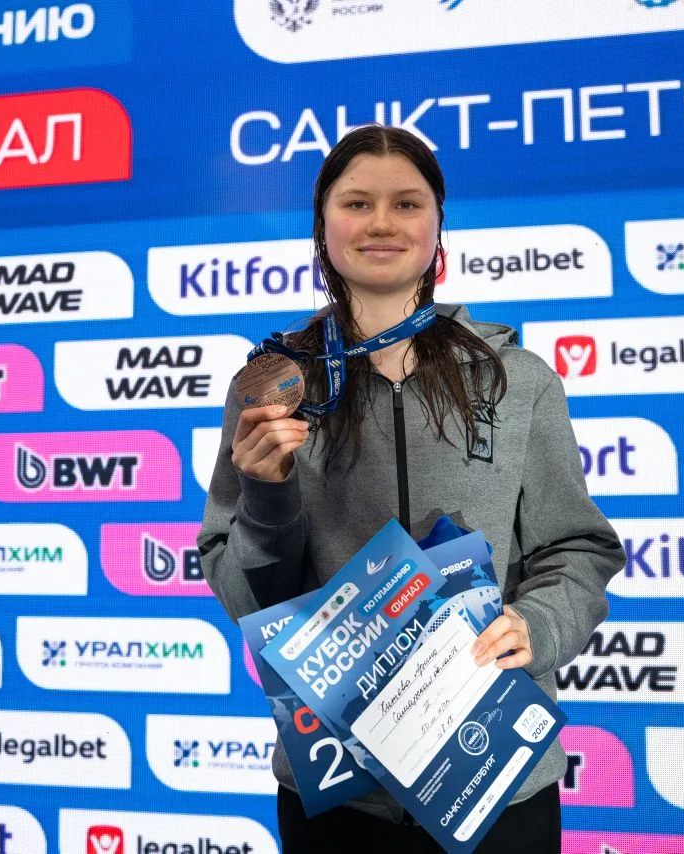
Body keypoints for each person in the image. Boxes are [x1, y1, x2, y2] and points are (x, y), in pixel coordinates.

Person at [198, 124, 624, 853]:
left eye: (407, 203)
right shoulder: (271, 386)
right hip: (339, 792)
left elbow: (578, 548)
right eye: (357, 203)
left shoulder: (517, 379)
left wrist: (537, 626)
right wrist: (266, 498)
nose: (382, 223)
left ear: (437, 225)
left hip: (497, 777)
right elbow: (249, 597)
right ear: (322, 225)